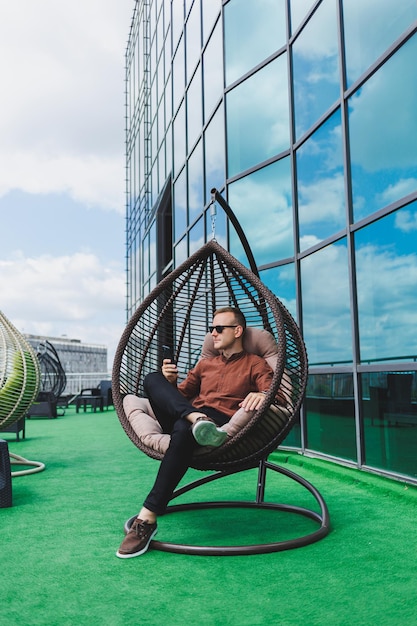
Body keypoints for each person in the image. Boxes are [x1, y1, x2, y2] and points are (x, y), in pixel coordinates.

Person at [116, 306, 281, 558]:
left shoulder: (254, 363)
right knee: (152, 379)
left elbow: (276, 395)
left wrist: (261, 394)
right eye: (210, 329)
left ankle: (147, 518)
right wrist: (169, 382)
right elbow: (179, 396)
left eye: (218, 328)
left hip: (214, 423)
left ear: (237, 331)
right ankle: (195, 418)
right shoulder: (205, 364)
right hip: (188, 414)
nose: (212, 333)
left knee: (184, 430)